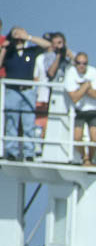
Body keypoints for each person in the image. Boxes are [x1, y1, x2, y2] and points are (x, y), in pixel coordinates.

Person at [2, 26, 50, 161]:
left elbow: (47, 45)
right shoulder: (9, 53)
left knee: (28, 123)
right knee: (12, 122)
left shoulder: (31, 51)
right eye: (16, 33)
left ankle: (29, 152)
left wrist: (28, 37)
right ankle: (11, 151)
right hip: (12, 91)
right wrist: (5, 47)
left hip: (28, 91)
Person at [64, 52, 96, 166]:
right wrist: (86, 86)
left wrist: (80, 88)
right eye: (79, 63)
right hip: (79, 111)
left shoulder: (94, 72)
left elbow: (95, 95)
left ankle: (90, 159)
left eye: (84, 63)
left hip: (94, 110)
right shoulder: (70, 73)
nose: (81, 66)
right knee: (77, 137)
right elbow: (75, 98)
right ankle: (85, 158)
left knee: (95, 138)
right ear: (75, 63)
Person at [33, 32, 72, 150]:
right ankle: (42, 148)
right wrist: (59, 56)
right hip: (52, 94)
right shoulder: (48, 56)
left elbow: (79, 63)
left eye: (60, 43)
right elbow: (50, 73)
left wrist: (67, 53)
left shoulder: (70, 55)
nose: (57, 46)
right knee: (48, 121)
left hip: (69, 95)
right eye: (55, 44)